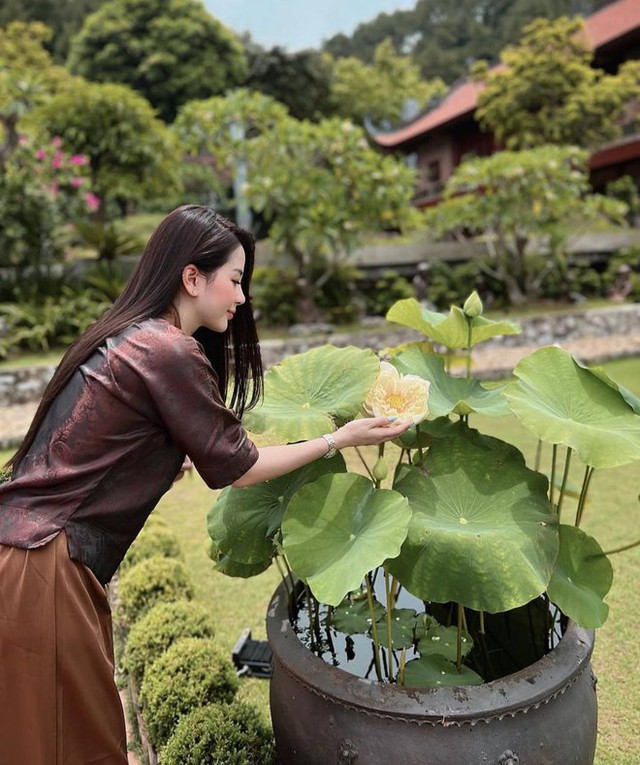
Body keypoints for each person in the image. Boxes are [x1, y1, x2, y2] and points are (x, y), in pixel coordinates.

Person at [0, 205, 410, 764]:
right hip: (44, 567)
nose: (242, 299)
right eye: (235, 281)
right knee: (75, 747)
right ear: (192, 278)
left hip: (30, 557)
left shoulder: (129, 337)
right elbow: (238, 472)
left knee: (43, 741)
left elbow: (103, 450)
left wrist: (173, 459)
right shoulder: (167, 349)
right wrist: (343, 439)